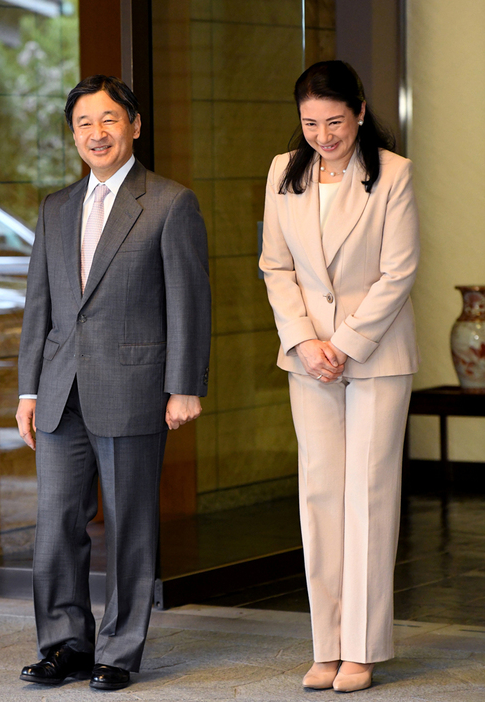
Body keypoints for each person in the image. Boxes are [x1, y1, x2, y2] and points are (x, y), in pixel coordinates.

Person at [15, 75, 211, 691]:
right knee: (55, 526)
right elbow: (38, 309)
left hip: (133, 389)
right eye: (83, 124)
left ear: (134, 124)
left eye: (107, 120)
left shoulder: (170, 203)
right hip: (58, 391)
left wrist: (184, 385)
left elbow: (189, 302)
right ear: (73, 134)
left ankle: (120, 650)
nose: (96, 133)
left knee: (130, 526)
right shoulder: (55, 207)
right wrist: (27, 392)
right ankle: (65, 643)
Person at [260, 61, 419, 693]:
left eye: (333, 121)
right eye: (310, 123)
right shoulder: (282, 171)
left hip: (375, 356)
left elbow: (399, 272)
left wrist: (345, 343)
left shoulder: (393, 174)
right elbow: (276, 266)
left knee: (370, 498)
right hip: (308, 360)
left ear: (357, 110)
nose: (322, 135)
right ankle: (326, 645)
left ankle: (363, 647)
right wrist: (304, 341)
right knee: (320, 496)